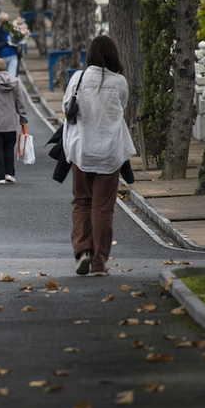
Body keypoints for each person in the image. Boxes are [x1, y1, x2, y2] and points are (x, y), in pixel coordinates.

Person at [62, 35, 136, 276]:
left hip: (81, 151)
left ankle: (83, 250)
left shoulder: (77, 78)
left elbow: (66, 108)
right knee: (103, 208)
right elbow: (122, 107)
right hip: (109, 153)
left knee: (82, 202)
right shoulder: (120, 82)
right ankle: (98, 263)